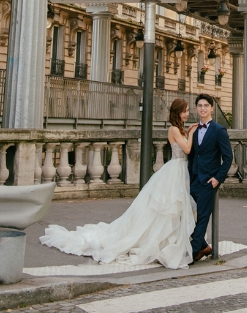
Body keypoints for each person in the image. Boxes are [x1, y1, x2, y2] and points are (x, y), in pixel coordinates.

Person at [40, 99, 197, 269]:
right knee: (167, 208)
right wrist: (192, 134)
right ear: (177, 112)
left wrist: (188, 133)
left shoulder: (180, 129)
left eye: (187, 111)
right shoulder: (173, 129)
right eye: (184, 111)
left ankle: (170, 239)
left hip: (180, 170)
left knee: (172, 209)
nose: (187, 114)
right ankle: (161, 241)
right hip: (175, 170)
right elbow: (187, 149)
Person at [187, 93, 233, 263]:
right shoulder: (193, 129)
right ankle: (204, 245)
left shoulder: (219, 130)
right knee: (186, 214)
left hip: (208, 181)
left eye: (206, 105)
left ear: (212, 108)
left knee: (203, 216)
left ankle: (193, 251)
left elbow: (228, 157)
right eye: (200, 106)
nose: (203, 108)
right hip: (194, 179)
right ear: (196, 108)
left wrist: (217, 178)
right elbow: (192, 155)